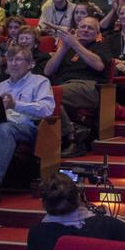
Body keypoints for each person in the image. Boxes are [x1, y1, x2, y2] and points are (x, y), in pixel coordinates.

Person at [44, 17, 110, 157]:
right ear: (77, 30)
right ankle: (72, 133)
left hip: (88, 87)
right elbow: (48, 71)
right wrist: (64, 47)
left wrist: (76, 45)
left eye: (90, 28)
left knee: (52, 96)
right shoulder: (68, 47)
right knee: (48, 97)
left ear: (97, 33)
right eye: (83, 27)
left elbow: (99, 66)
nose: (85, 30)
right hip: (63, 86)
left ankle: (73, 138)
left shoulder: (100, 46)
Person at [0, 45, 56, 188]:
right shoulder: (1, 86)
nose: (13, 63)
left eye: (19, 59)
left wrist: (15, 105)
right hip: (1, 124)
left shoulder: (40, 82)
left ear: (30, 64)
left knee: (5, 129)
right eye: (10, 59)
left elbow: (47, 110)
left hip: (29, 128)